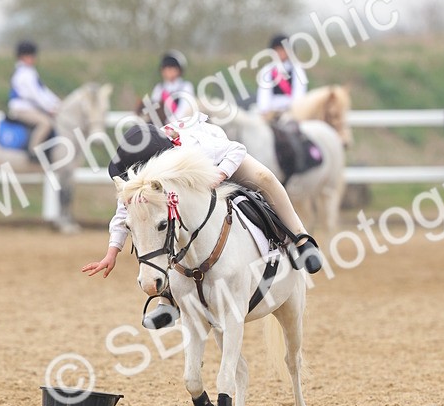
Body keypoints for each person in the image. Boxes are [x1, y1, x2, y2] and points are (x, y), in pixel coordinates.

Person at [81, 114, 323, 328]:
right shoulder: (136, 175)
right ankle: (168, 298)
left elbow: (236, 150)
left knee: (264, 177)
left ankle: (300, 239)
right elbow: (125, 211)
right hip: (183, 179)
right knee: (166, 227)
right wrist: (112, 251)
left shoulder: (193, 150)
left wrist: (220, 175)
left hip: (218, 162)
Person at [7, 40, 61, 156]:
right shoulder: (24, 74)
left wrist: (57, 103)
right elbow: (36, 96)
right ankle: (33, 151)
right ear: (22, 57)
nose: (33, 58)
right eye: (30, 56)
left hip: (30, 107)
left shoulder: (30, 72)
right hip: (22, 109)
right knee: (45, 123)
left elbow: (44, 91)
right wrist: (49, 108)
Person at [256, 34, 308, 118]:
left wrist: (294, 110)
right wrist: (265, 111)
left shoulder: (297, 70)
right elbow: (264, 94)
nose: (280, 53)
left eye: (283, 50)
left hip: (291, 111)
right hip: (271, 111)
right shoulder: (267, 70)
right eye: (277, 50)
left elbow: (299, 92)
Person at [147, 51, 196, 122]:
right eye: (165, 69)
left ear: (179, 70)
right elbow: (154, 108)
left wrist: (170, 123)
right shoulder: (159, 88)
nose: (167, 71)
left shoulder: (186, 86)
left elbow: (184, 109)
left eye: (171, 68)